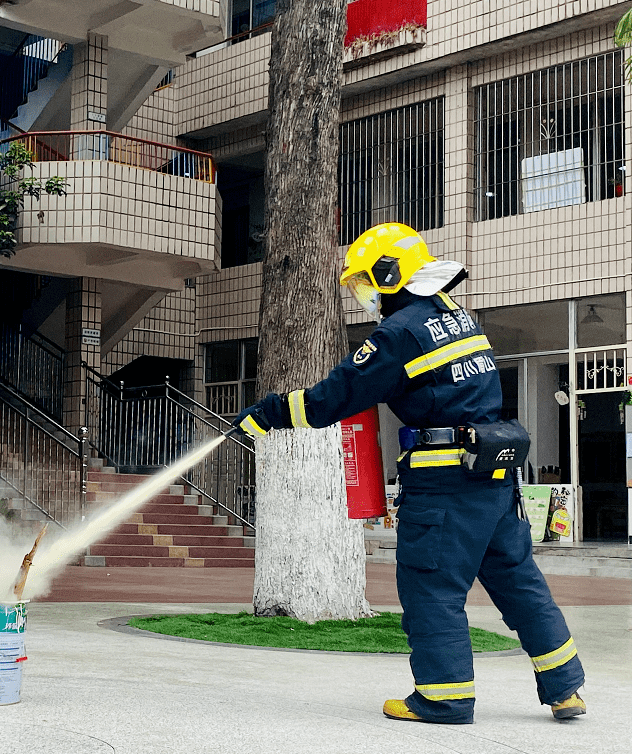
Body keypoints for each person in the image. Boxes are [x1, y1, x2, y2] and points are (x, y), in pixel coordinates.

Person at [233, 222, 585, 724]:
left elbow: (335, 397)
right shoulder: (458, 316)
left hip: (445, 487)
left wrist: (269, 413)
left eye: (365, 284)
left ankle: (444, 697)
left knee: (431, 588)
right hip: (495, 478)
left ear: (390, 274)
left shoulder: (398, 335)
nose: (365, 297)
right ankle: (566, 688)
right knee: (519, 583)